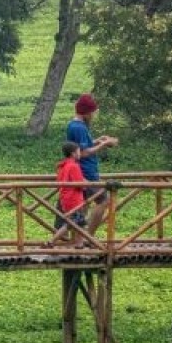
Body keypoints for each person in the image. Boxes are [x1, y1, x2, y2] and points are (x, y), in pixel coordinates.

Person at [66, 93, 118, 238]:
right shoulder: (79, 128)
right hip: (85, 172)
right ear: (87, 112)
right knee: (104, 200)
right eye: (93, 112)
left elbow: (82, 147)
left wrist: (98, 140)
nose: (94, 115)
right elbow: (83, 153)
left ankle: (79, 240)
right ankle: (89, 236)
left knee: (83, 205)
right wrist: (104, 144)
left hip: (85, 171)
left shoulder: (76, 125)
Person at [49, 141, 88, 246]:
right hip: (74, 199)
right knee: (72, 223)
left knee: (79, 222)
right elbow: (80, 184)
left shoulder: (63, 165)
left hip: (65, 198)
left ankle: (79, 245)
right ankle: (51, 242)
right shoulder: (74, 166)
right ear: (73, 153)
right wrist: (87, 183)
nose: (80, 153)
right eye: (79, 151)